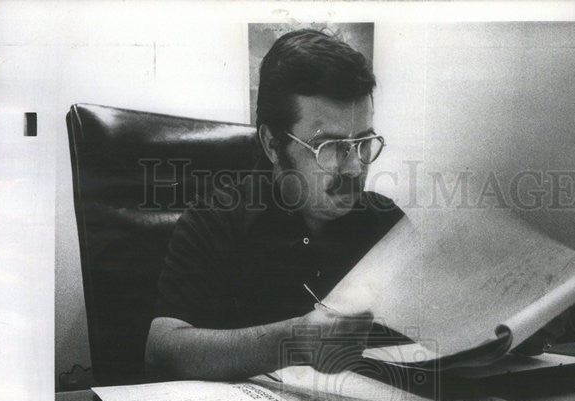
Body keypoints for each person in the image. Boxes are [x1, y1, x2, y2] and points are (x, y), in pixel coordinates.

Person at [146, 28, 403, 381]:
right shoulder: (215, 220)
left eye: (363, 142)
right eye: (329, 147)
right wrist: (295, 341)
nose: (355, 167)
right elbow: (161, 349)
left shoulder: (387, 222)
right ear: (271, 144)